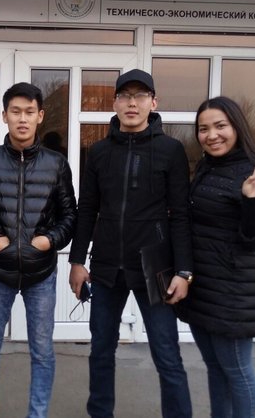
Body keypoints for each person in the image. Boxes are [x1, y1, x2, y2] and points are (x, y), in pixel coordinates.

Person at [68, 69, 193, 418]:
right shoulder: (99, 152)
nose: (132, 103)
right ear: (115, 103)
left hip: (155, 267)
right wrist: (77, 261)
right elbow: (87, 208)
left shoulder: (171, 150)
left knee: (167, 354)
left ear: (153, 102)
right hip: (107, 265)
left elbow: (181, 214)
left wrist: (184, 270)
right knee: (101, 351)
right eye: (125, 96)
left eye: (140, 96)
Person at [0, 82, 77, 418]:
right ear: (4, 116)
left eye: (29, 112)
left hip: (41, 274)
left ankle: (37, 414)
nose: (22, 119)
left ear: (40, 116)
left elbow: (70, 215)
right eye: (15, 111)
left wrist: (49, 240)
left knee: (42, 352)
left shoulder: (56, 164)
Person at [186, 96, 255, 418]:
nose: (211, 135)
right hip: (202, 287)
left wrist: (252, 201)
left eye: (220, 126)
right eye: (203, 129)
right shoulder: (206, 168)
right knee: (215, 367)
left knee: (237, 370)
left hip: (233, 292)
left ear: (237, 126)